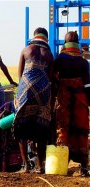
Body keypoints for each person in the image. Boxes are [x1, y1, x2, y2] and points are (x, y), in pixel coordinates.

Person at [13, 27, 54, 173]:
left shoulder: (26, 49)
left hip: (26, 90)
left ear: (34, 36)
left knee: (21, 127)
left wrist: (20, 94)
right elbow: (50, 78)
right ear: (46, 38)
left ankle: (25, 165)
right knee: (41, 128)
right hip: (43, 91)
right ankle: (39, 166)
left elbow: (20, 74)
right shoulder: (49, 54)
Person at [53, 31, 89, 176]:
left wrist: (61, 86)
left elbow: (52, 77)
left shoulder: (59, 60)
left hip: (64, 99)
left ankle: (62, 164)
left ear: (64, 43)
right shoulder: (83, 62)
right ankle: (84, 167)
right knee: (81, 130)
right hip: (80, 98)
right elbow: (87, 84)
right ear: (78, 43)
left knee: (63, 128)